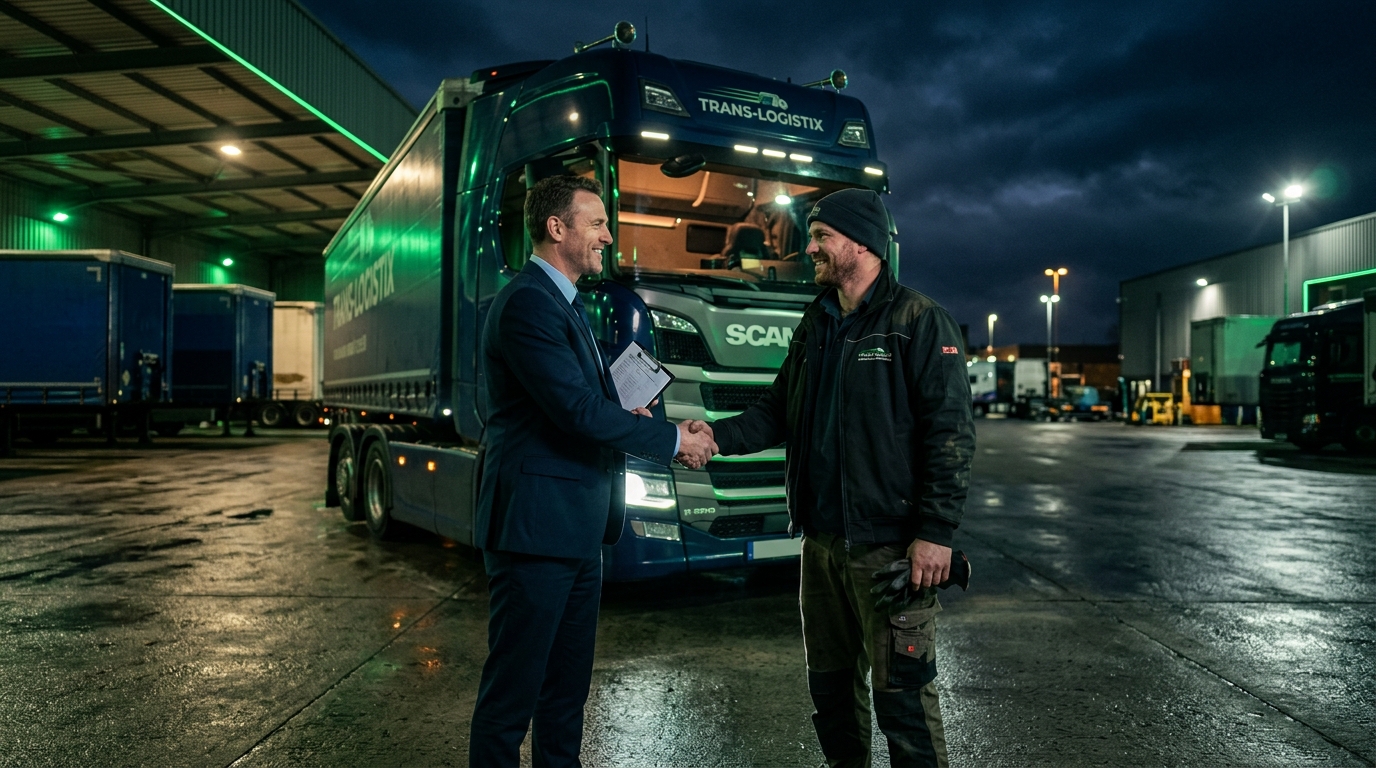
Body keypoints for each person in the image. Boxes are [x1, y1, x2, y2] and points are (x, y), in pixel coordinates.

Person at [686, 188, 974, 767]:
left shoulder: (917, 321)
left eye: (822, 237)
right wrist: (714, 436)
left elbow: (950, 434)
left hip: (888, 552)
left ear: (861, 243)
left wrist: (935, 532)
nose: (810, 248)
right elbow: (778, 411)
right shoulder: (817, 320)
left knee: (905, 705)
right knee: (832, 697)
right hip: (821, 546)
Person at [469, 174, 717, 767]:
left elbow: (579, 403)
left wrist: (625, 413)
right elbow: (575, 411)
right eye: (598, 223)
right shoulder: (528, 302)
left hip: (576, 528)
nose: (608, 236)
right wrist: (671, 439)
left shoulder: (565, 301)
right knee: (512, 698)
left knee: (565, 694)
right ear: (557, 228)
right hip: (535, 531)